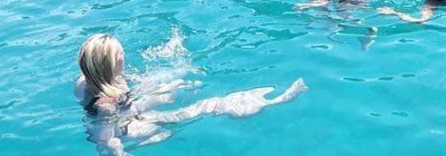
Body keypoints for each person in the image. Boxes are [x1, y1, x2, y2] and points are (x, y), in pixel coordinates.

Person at [75, 33, 307, 156]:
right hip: (130, 129)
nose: (125, 56)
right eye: (121, 54)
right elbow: (105, 139)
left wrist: (156, 92)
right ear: (110, 64)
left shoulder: (87, 81)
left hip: (130, 114)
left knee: (178, 88)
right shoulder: (105, 104)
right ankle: (273, 101)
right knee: (200, 109)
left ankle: (248, 101)